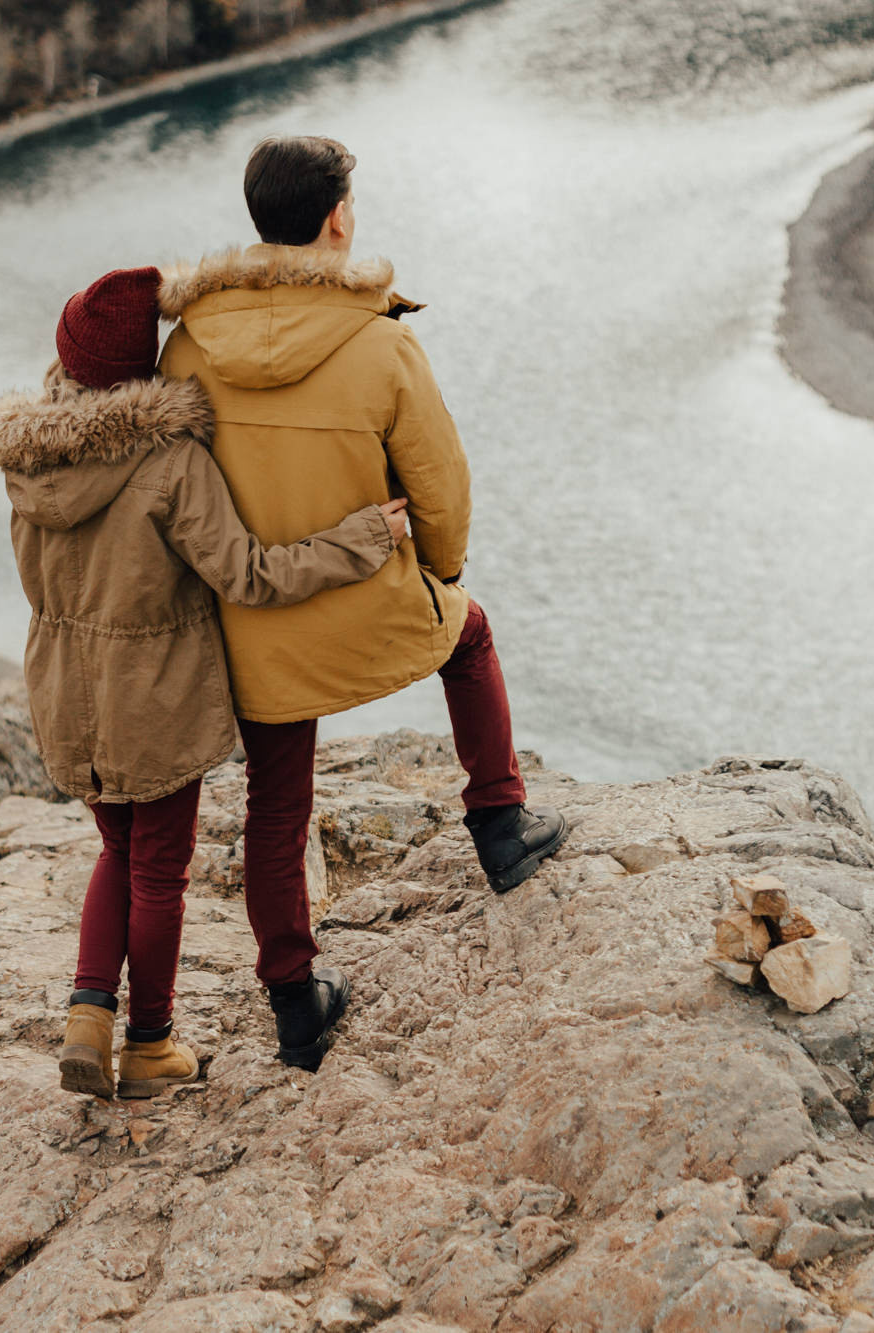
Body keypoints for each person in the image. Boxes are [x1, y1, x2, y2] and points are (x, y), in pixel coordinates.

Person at [154, 136, 567, 1073]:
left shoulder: (188, 346)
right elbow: (440, 491)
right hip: (368, 593)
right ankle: (501, 826)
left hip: (253, 627)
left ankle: (296, 1003)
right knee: (469, 636)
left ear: (261, 220)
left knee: (277, 806)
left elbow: (173, 493)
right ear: (338, 218)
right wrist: (443, 573)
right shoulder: (382, 340)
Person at [0, 266, 409, 1100]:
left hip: (64, 692)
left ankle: (88, 1015)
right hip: (151, 698)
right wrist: (358, 539)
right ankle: (151, 1042)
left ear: (67, 359)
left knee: (118, 848)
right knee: (159, 869)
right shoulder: (169, 459)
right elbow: (248, 574)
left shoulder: (28, 462)